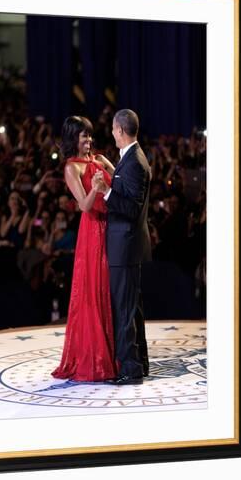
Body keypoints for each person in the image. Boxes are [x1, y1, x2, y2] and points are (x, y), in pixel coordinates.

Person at [51, 115, 117, 381]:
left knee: (108, 289)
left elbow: (121, 178)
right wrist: (97, 189)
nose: (88, 140)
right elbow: (84, 205)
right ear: (73, 139)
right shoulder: (71, 168)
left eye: (89, 135)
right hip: (91, 232)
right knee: (92, 289)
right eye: (83, 136)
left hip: (111, 228)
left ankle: (113, 353)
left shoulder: (99, 160)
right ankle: (95, 358)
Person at [92, 109, 152, 385]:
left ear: (120, 130)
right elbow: (127, 191)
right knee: (133, 308)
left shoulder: (135, 162)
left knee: (124, 309)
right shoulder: (131, 159)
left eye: (114, 129)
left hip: (125, 246)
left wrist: (105, 191)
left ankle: (130, 369)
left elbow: (129, 207)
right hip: (128, 246)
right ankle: (139, 363)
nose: (112, 133)